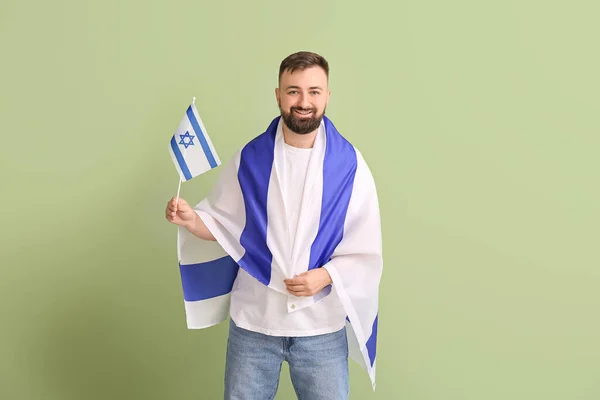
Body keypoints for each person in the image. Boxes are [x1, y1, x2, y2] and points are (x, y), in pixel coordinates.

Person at [165, 51, 382, 400]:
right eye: (293, 91)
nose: (304, 101)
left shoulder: (351, 166)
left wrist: (324, 276)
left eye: (314, 91)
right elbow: (222, 226)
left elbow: (365, 249)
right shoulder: (250, 159)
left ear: (327, 96)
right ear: (278, 95)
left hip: (319, 328)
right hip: (254, 324)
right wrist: (192, 219)